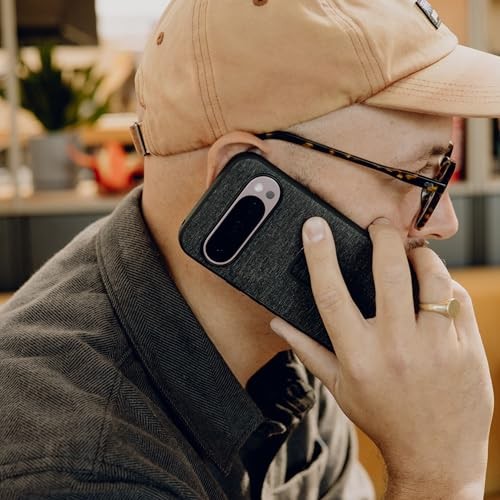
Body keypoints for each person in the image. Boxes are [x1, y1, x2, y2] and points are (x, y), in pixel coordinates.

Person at [0, 0, 498, 498]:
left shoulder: (288, 326)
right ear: (243, 181)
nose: (446, 223)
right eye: (419, 177)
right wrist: (438, 473)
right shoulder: (75, 469)